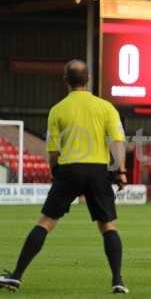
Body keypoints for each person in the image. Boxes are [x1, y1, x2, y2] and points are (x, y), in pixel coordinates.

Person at [0, 60, 130, 293]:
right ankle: (118, 280)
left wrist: (55, 173)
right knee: (108, 226)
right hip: (97, 170)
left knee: (46, 223)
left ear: (65, 80)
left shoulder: (58, 109)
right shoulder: (106, 107)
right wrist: (120, 171)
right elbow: (117, 141)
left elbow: (52, 150)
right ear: (88, 79)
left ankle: (16, 275)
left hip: (69, 169)